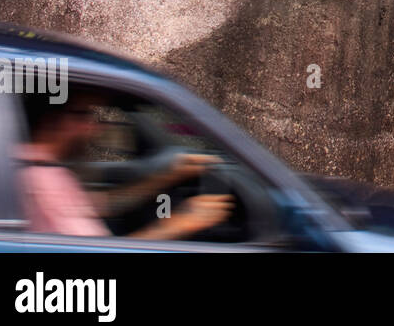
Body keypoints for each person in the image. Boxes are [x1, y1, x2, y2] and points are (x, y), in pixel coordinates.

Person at [16, 90, 234, 240]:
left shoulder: (37, 166)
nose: (95, 128)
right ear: (52, 120)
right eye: (85, 116)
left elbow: (105, 203)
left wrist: (167, 177)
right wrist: (181, 223)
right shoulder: (44, 180)